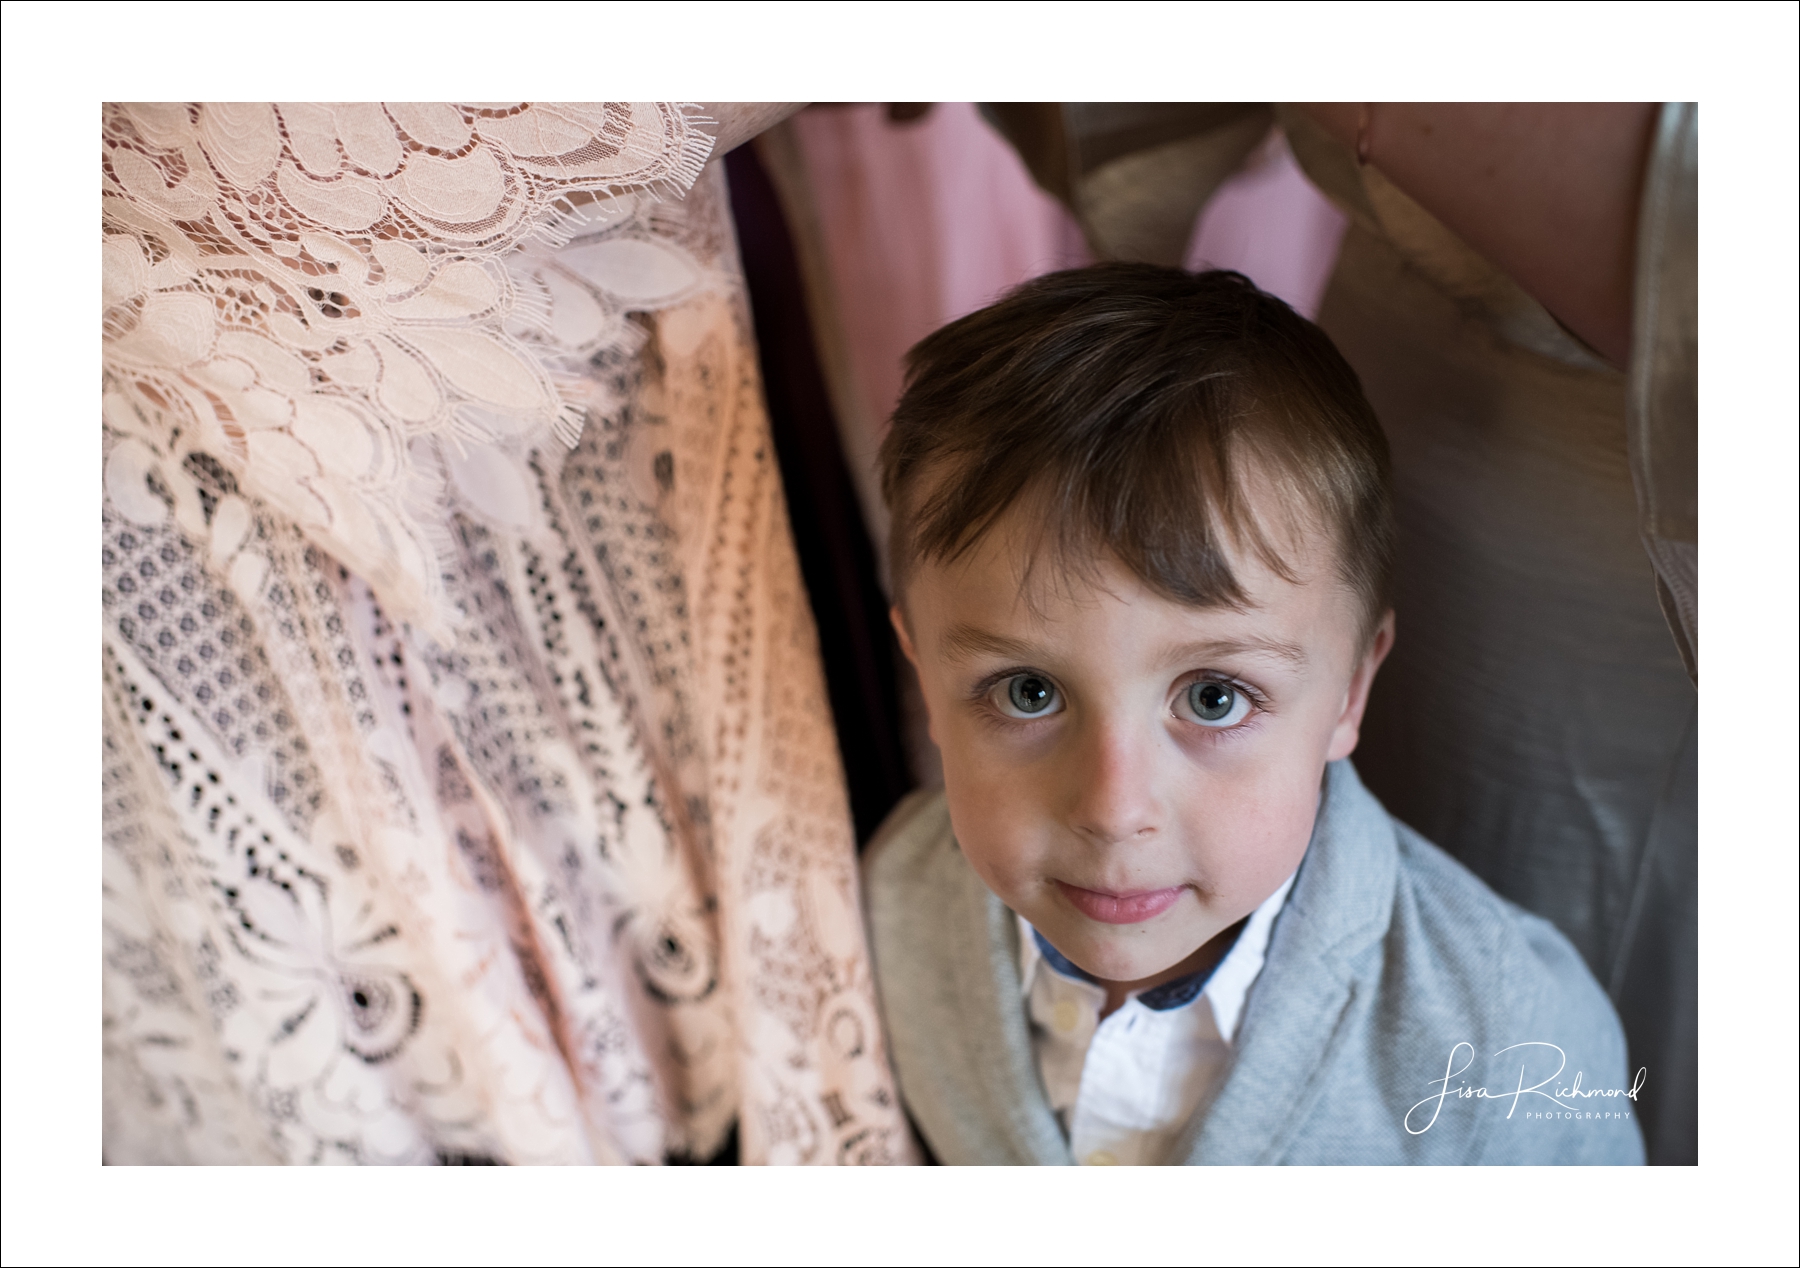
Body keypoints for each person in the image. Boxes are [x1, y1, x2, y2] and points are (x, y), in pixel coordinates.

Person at [862, 263, 1644, 1164]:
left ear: (1350, 692)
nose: (1115, 810)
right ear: (924, 678)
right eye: (1028, 691)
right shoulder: (890, 902)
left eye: (1213, 698)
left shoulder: (1512, 1037)